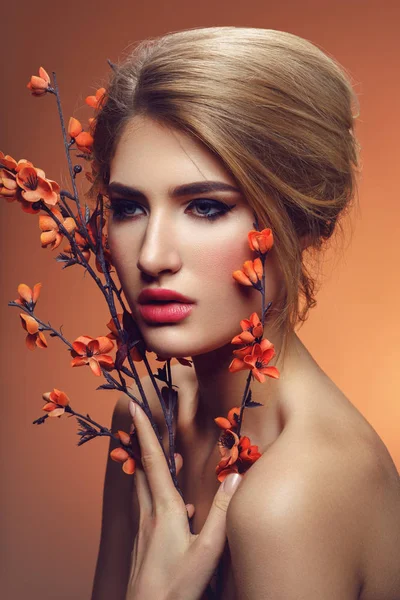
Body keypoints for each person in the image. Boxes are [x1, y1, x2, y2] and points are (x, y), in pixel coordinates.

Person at [89, 26, 400, 600]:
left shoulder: (293, 496)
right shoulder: (145, 422)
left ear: (303, 218)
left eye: (205, 207)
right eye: (129, 206)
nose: (152, 255)